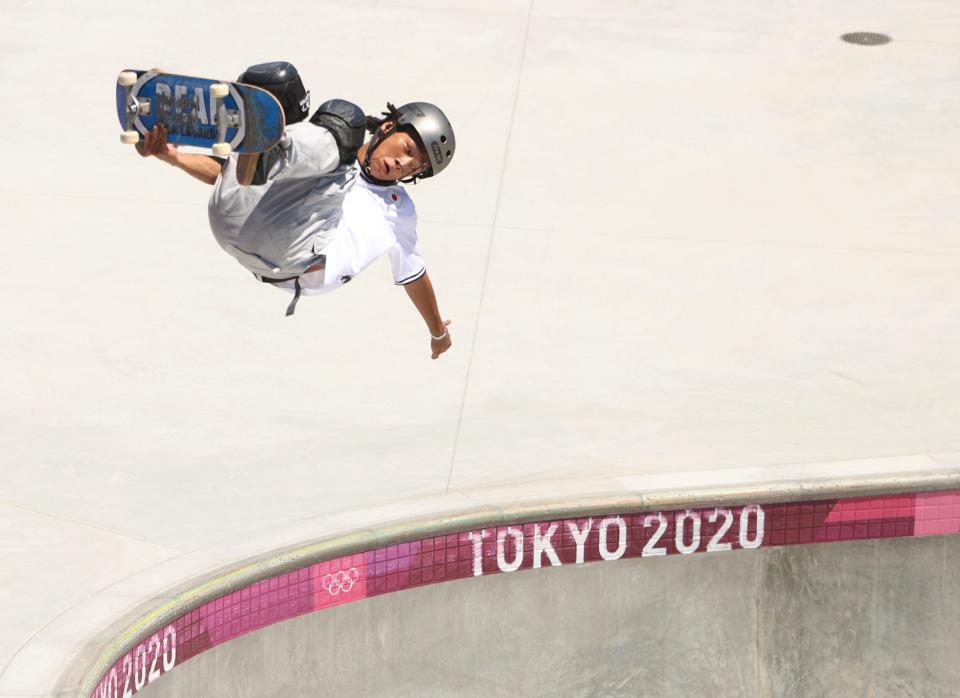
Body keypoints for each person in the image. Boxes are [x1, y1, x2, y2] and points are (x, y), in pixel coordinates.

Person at [135, 61, 456, 360]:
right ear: (387, 127)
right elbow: (226, 178)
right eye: (408, 150)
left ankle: (265, 143)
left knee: (343, 117)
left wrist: (437, 331)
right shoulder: (324, 152)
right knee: (283, 84)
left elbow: (415, 276)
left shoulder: (399, 211)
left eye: (416, 167)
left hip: (296, 257)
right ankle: (241, 132)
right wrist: (171, 156)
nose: (404, 164)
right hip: (234, 220)